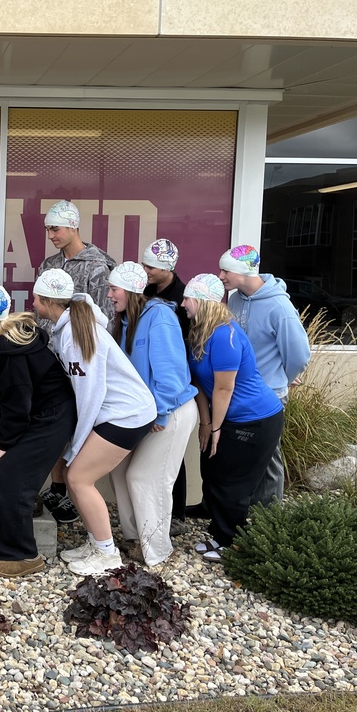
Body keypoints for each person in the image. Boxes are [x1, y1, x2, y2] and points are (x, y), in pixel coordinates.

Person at [33, 268, 156, 576]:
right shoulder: (70, 327)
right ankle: (96, 543)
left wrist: (75, 444)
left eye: (35, 298)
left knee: (78, 478)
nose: (32, 303)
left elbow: (89, 395)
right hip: (114, 412)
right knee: (74, 475)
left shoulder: (75, 335)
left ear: (48, 302)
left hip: (126, 414)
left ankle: (107, 554)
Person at [0, 284, 76, 578]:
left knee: (12, 480)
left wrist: (4, 442)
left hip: (51, 418)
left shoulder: (9, 350)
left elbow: (16, 401)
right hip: (34, 416)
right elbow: (1, 401)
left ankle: (22, 556)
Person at [181, 273, 285, 561]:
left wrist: (216, 429)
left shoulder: (225, 336)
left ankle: (229, 542)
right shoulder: (199, 332)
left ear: (202, 302)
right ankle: (219, 530)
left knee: (232, 482)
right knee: (212, 471)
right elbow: (199, 384)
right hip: (226, 417)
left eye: (188, 298)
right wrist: (206, 424)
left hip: (255, 419)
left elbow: (224, 388)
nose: (183, 303)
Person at [106, 262, 197, 566]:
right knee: (119, 470)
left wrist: (160, 413)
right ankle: (135, 539)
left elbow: (171, 374)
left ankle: (157, 549)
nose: (109, 295)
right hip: (143, 414)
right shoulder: (126, 320)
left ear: (131, 290)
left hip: (170, 410)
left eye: (114, 289)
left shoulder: (159, 316)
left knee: (145, 477)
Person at [37, 200, 117, 526]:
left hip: (82, 363)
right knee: (57, 425)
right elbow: (41, 314)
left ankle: (75, 493)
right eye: (47, 229)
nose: (50, 235)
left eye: (55, 228)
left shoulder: (98, 266)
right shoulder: (49, 265)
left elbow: (105, 321)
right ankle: (57, 487)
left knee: (80, 426)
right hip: (50, 360)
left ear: (73, 226)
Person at [220, 245, 310, 506]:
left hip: (269, 394)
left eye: (226, 271)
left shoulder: (279, 306)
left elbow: (299, 354)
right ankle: (244, 510)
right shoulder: (235, 299)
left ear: (243, 272)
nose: (221, 276)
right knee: (243, 454)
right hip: (239, 392)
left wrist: (286, 376)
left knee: (268, 456)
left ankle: (270, 516)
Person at [141, 238, 192, 522]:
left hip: (173, 380)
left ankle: (176, 515)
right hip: (151, 375)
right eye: (144, 264)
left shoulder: (182, 297)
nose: (145, 270)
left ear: (167, 268)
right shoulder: (146, 290)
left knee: (173, 455)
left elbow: (187, 341)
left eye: (150, 266)